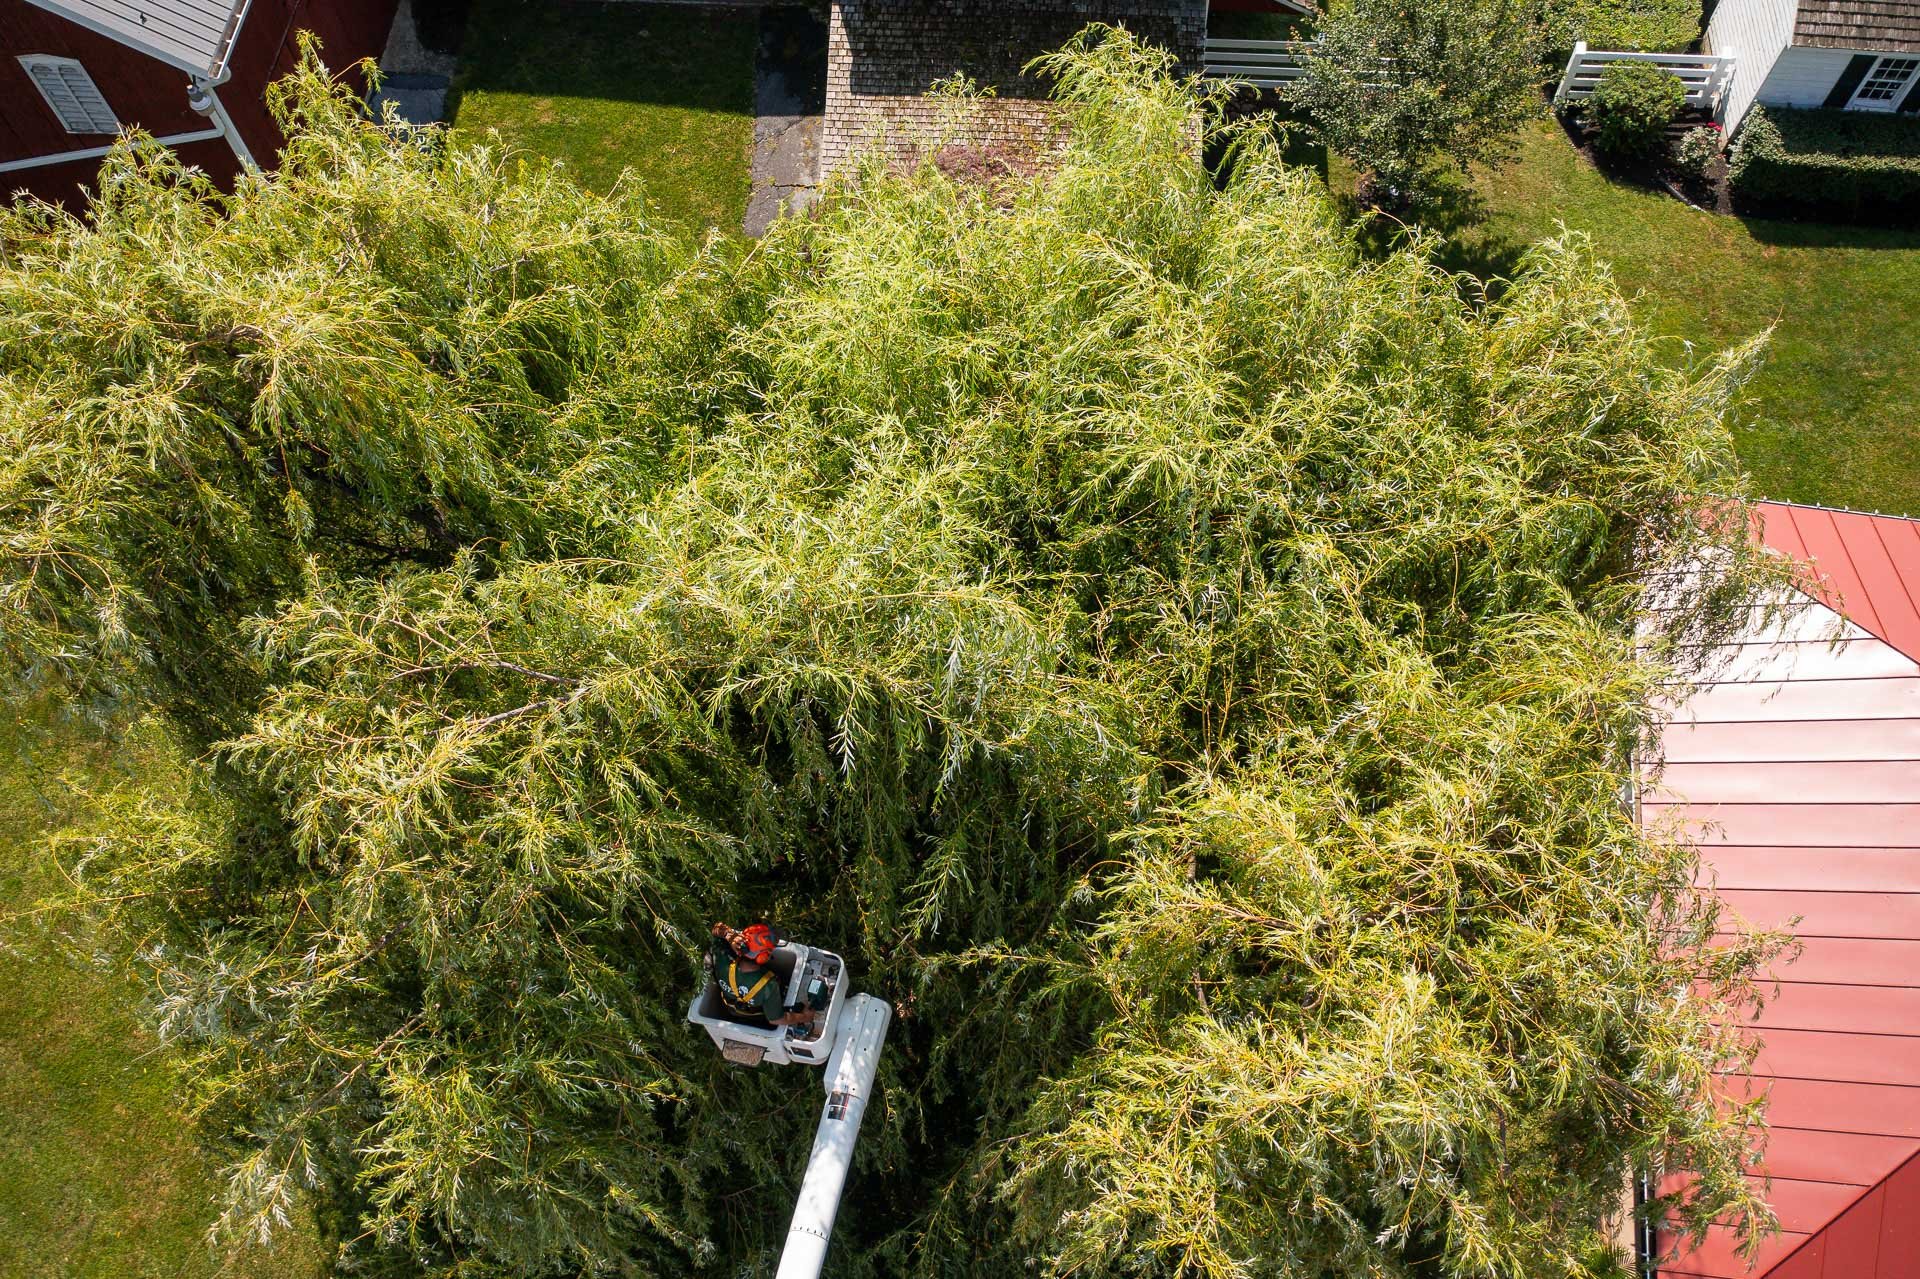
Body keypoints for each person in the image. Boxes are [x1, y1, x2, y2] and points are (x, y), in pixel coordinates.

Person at [710, 921, 817, 1027]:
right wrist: (805, 1017)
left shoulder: (722, 959)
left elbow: (714, 928)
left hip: (730, 1009)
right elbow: (776, 1020)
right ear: (763, 957)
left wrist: (728, 935)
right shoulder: (768, 985)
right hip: (757, 1016)